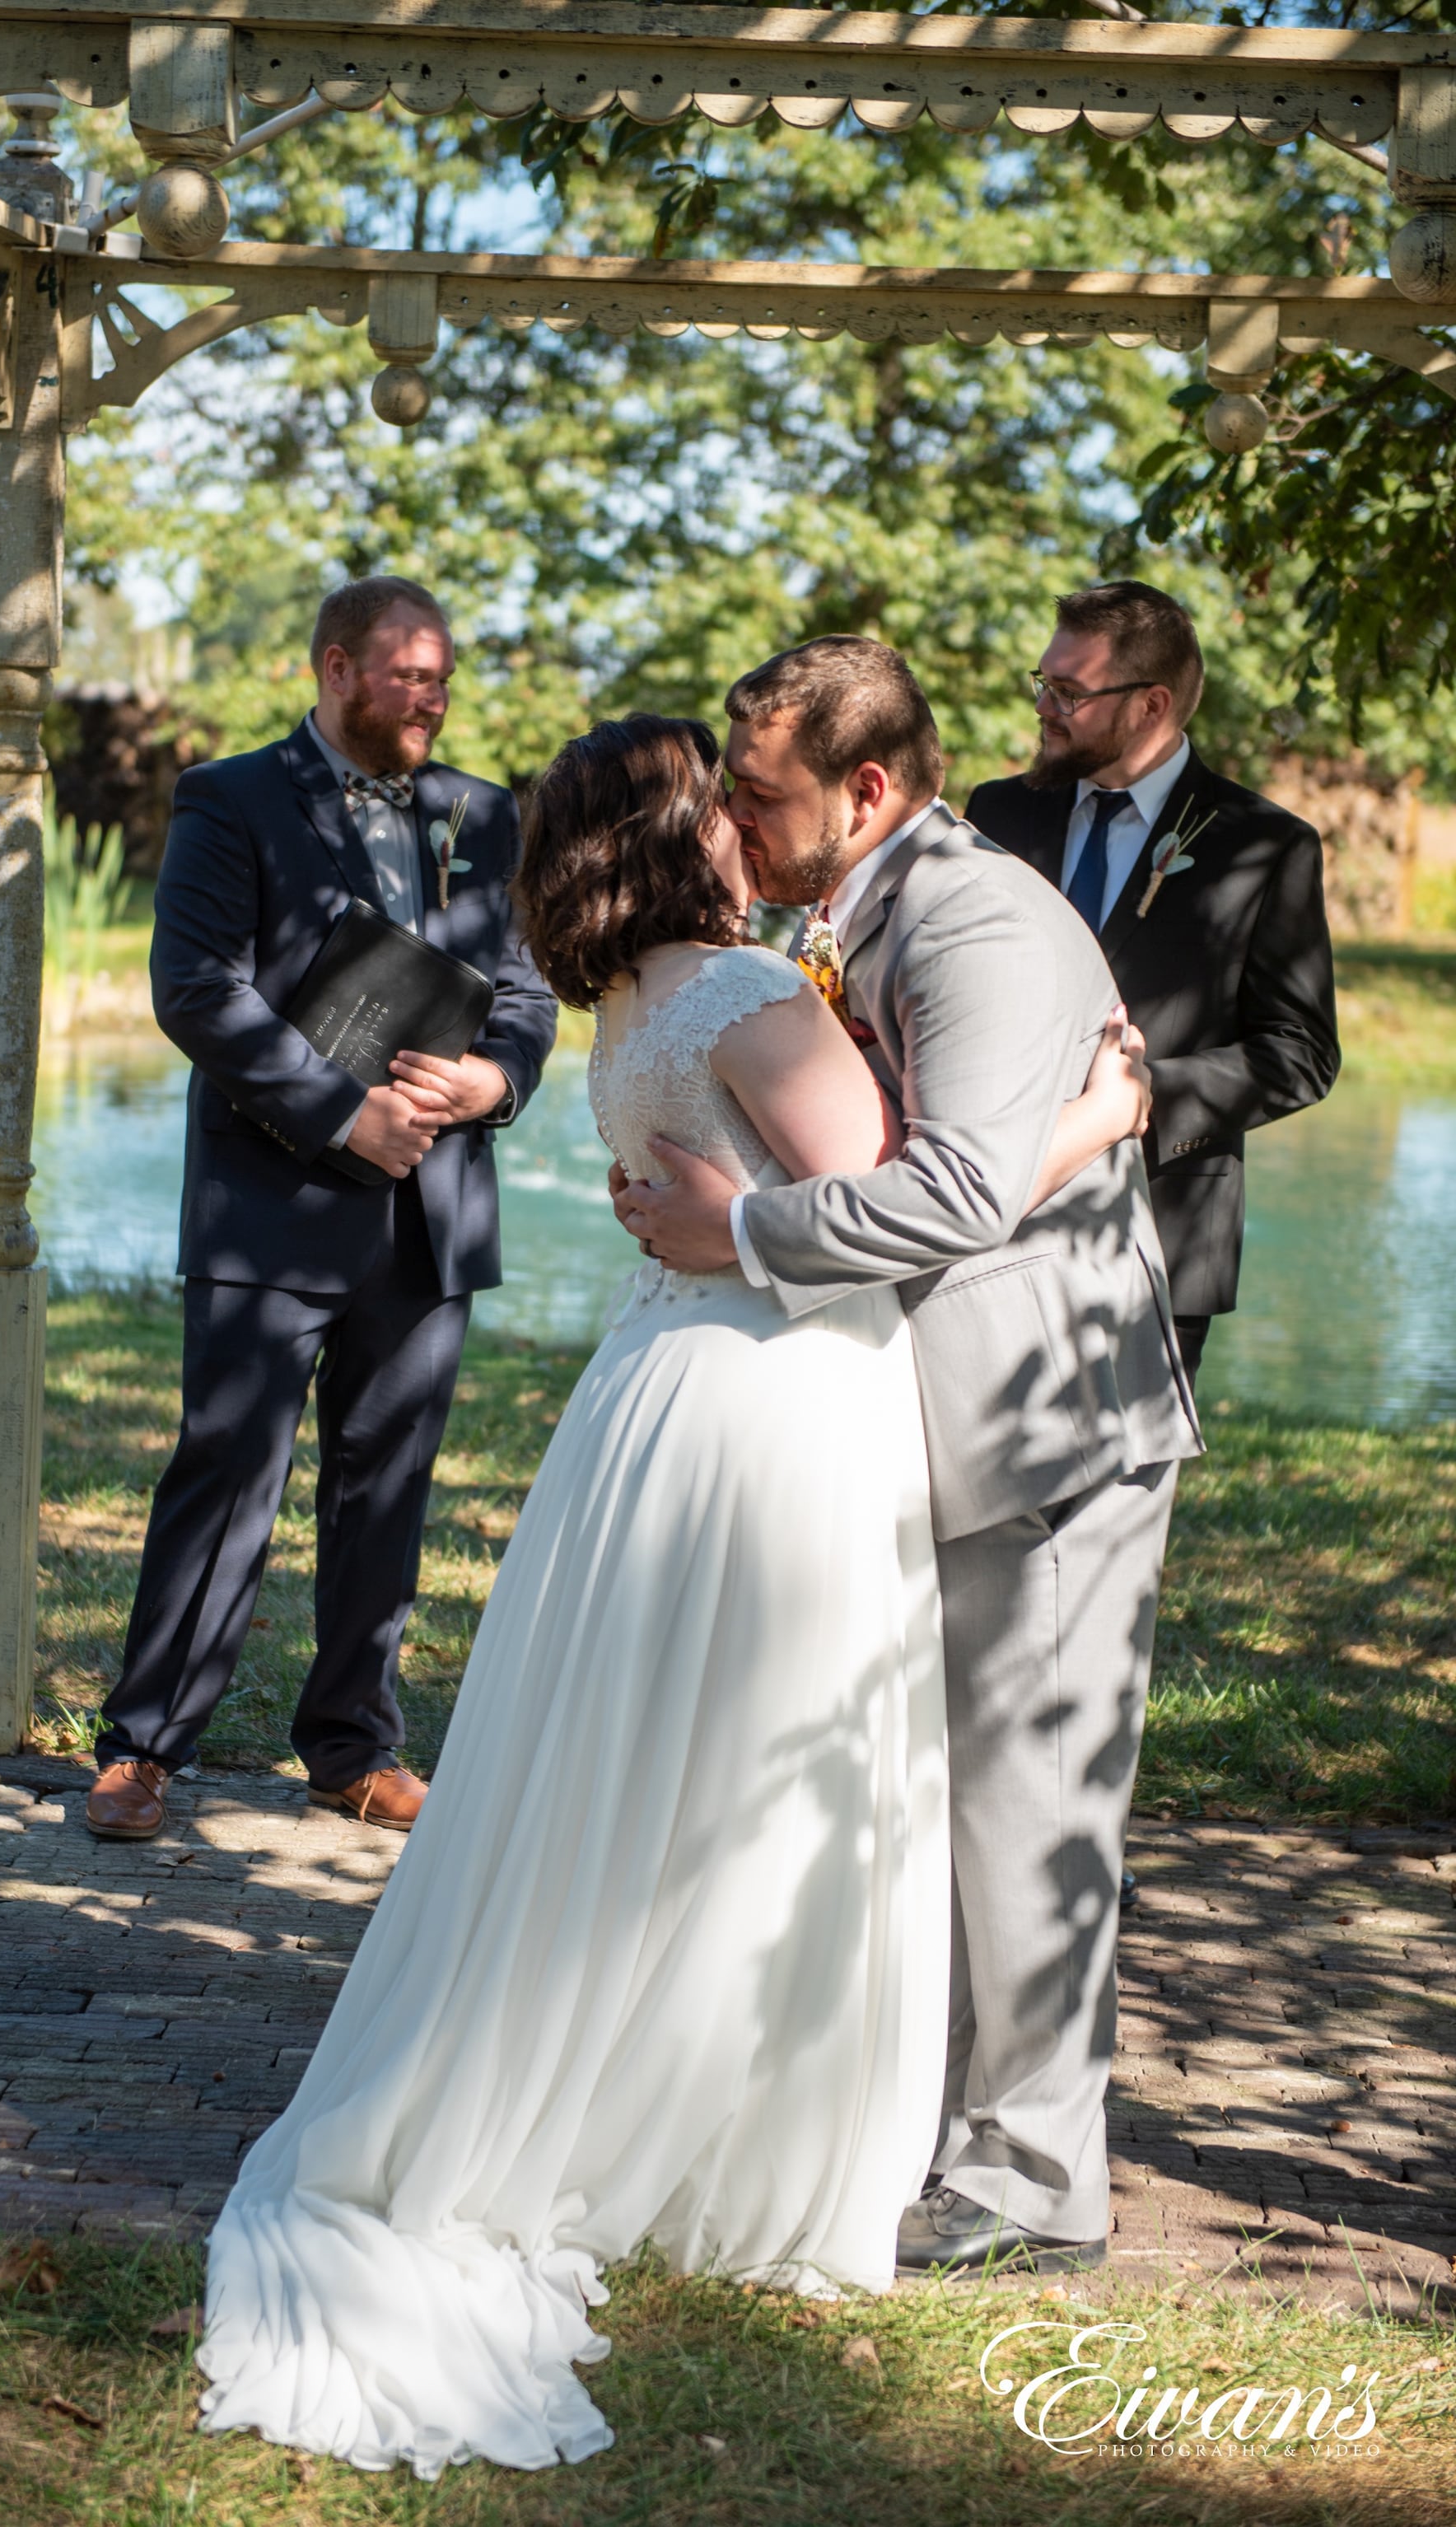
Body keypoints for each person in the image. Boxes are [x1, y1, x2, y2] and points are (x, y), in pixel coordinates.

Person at [195, 714, 1152, 2475]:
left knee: (654, 1765)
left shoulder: (630, 998)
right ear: (680, 825)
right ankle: (727, 2130)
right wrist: (1090, 1111)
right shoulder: (746, 993)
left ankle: (651, 2075)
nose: (744, 812)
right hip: (775, 1402)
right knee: (761, 1777)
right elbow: (902, 1197)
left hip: (669, 1393)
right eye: (722, 793)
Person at [616, 639, 1202, 2280]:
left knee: (1030, 1815)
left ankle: (1034, 2181)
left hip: (1044, 1429)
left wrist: (744, 1233)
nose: (735, 809)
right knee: (927, 1803)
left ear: (866, 787)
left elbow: (953, 1191)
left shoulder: (976, 920)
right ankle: (921, 2121)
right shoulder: (845, 913)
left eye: (762, 786)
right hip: (926, 1422)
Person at [83, 576, 556, 1843]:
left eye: (441, 677)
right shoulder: (230, 799)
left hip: (432, 1209)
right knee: (230, 1469)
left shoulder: (483, 815)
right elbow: (194, 989)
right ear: (336, 669)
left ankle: (353, 1747)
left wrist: (492, 1078)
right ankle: (144, 1751)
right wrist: (344, 1113)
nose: (430, 696)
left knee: (386, 1483)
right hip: (273, 1206)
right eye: (407, 675)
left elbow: (526, 990)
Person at [966, 580, 1342, 1385]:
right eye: (1043, 683)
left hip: (1158, 1227)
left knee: (1119, 1502)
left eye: (1068, 691)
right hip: (987, 1212)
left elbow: (1299, 1051)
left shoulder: (1265, 847)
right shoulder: (994, 815)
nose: (1044, 707)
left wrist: (1141, 1096)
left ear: (1150, 704)